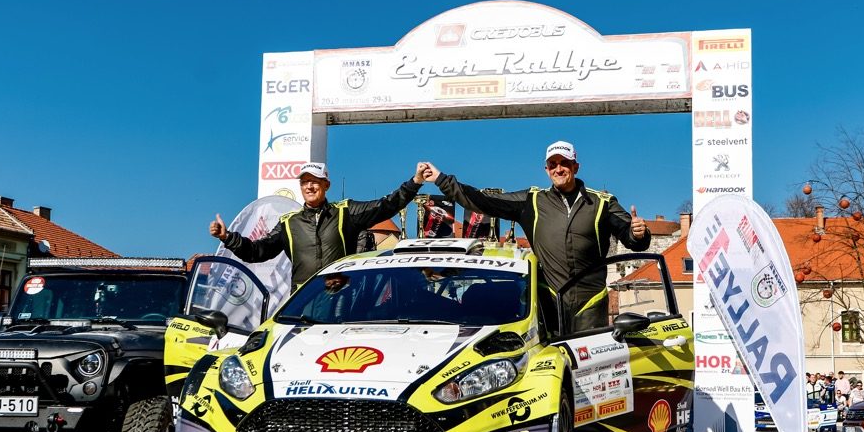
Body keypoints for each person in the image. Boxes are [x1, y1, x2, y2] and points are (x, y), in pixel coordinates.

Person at [423, 141, 650, 332]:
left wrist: (638, 234)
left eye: (564, 163)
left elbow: (632, 237)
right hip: (548, 299)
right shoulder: (531, 200)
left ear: (576, 167)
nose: (558, 169)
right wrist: (442, 180)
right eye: (553, 165)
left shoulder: (602, 202)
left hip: (590, 302)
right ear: (546, 170)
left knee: (590, 364)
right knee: (548, 362)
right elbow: (483, 201)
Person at [210, 162, 427, 288]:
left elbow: (386, 206)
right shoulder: (289, 223)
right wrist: (227, 237)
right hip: (302, 302)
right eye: (305, 182)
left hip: (340, 297)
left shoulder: (345, 211)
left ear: (326, 185)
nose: (309, 186)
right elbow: (256, 251)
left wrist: (415, 182)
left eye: (315, 181)